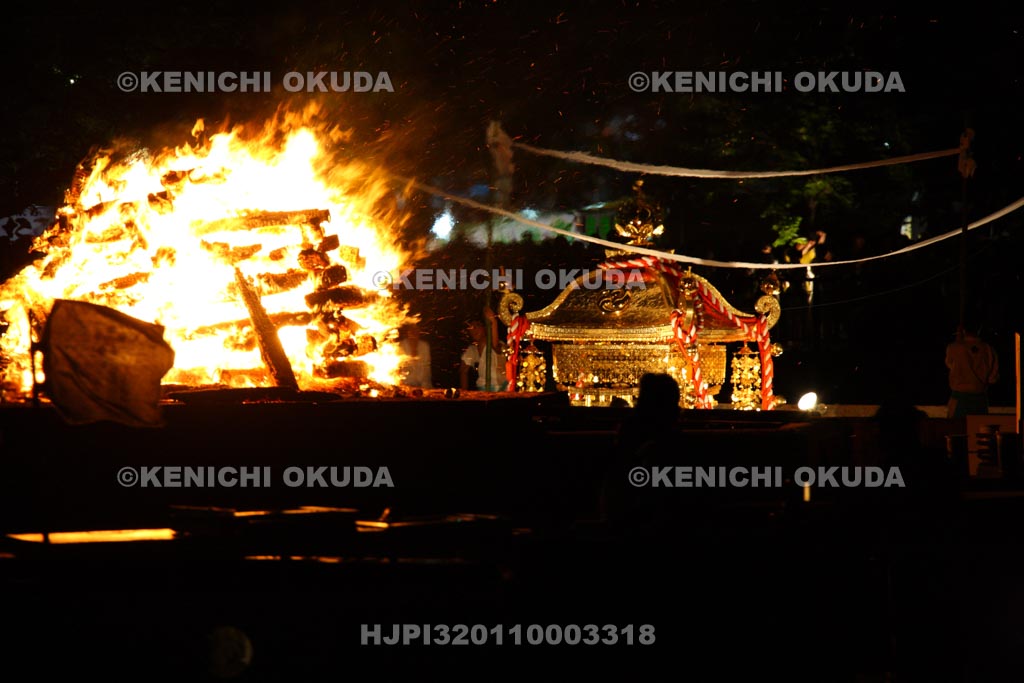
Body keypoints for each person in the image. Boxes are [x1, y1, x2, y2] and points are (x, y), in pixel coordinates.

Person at [945, 323, 999, 418]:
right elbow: (992, 378)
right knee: (979, 429)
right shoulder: (988, 349)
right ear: (979, 330)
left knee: (956, 429)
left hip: (959, 397)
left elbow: (950, 364)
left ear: (963, 331)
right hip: (980, 399)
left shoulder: (954, 347)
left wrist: (958, 340)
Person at [459, 308, 507, 392]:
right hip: (487, 386)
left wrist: (494, 322)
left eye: (477, 325)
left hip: (503, 384)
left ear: (485, 327)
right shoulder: (472, 349)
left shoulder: (499, 343)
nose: (474, 330)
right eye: (471, 327)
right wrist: (464, 393)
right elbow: (463, 371)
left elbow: (495, 346)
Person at [398, 323, 432, 388]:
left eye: (416, 329)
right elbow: (398, 369)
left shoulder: (425, 346)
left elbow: (427, 368)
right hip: (405, 385)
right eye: (412, 330)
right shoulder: (400, 346)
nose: (414, 332)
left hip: (423, 385)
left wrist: (426, 386)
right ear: (407, 332)